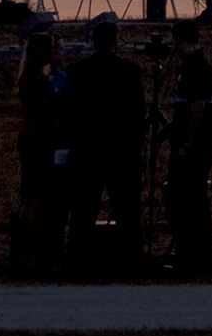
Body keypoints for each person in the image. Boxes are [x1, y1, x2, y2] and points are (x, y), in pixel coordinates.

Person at [61, 20, 147, 275]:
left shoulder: (77, 71)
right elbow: (137, 115)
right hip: (121, 151)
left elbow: (68, 112)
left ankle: (77, 259)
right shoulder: (130, 72)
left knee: (83, 207)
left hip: (87, 150)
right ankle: (133, 259)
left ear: (92, 40)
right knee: (127, 208)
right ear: (116, 40)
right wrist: (135, 146)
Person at [165, 19, 212, 274]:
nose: (173, 47)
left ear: (182, 40)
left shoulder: (195, 67)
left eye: (175, 42)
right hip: (199, 144)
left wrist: (185, 142)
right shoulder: (196, 65)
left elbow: (197, 108)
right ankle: (194, 254)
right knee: (191, 198)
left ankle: (193, 255)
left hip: (195, 147)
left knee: (188, 199)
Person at [11, 32, 64, 274]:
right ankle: (35, 254)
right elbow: (54, 111)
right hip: (40, 141)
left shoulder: (26, 79)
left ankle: (24, 251)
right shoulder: (41, 82)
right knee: (41, 198)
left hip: (29, 139)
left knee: (29, 194)